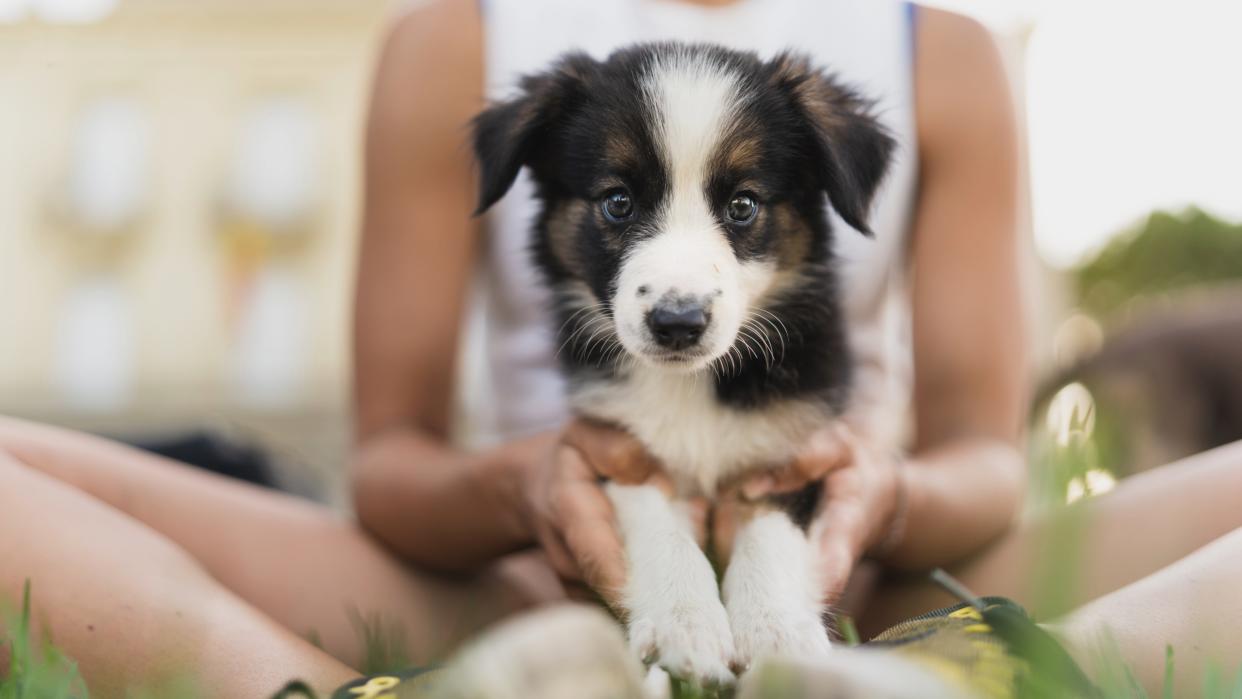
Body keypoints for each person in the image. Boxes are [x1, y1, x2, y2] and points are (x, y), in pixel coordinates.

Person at [1, 0, 1240, 696]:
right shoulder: (456, 40)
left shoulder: (940, 55)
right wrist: (528, 488)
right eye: (619, 203)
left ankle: (995, 676)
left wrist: (886, 492)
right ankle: (362, 696)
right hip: (513, 575)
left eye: (741, 208)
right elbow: (386, 461)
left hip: (880, 574)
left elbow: (987, 456)